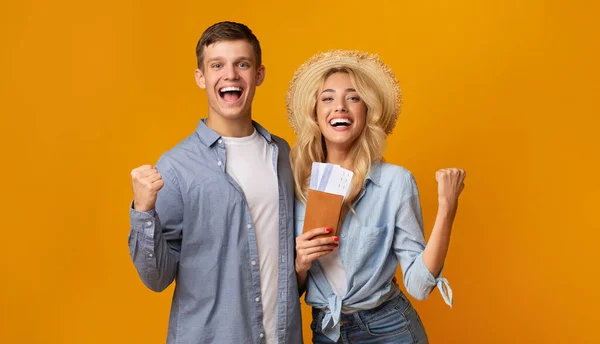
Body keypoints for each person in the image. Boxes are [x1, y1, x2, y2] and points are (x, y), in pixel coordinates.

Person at [128, 21, 302, 344]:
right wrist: (143, 210)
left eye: (242, 64)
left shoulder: (281, 154)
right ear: (201, 77)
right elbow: (156, 278)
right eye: (217, 65)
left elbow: (285, 263)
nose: (231, 75)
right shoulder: (176, 167)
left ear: (259, 75)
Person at [287, 50, 466, 343]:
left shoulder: (395, 181)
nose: (340, 107)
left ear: (367, 111)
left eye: (353, 97)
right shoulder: (294, 185)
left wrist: (447, 208)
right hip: (326, 331)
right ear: (315, 114)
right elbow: (288, 293)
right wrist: (300, 264)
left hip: (390, 329)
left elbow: (420, 287)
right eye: (328, 98)